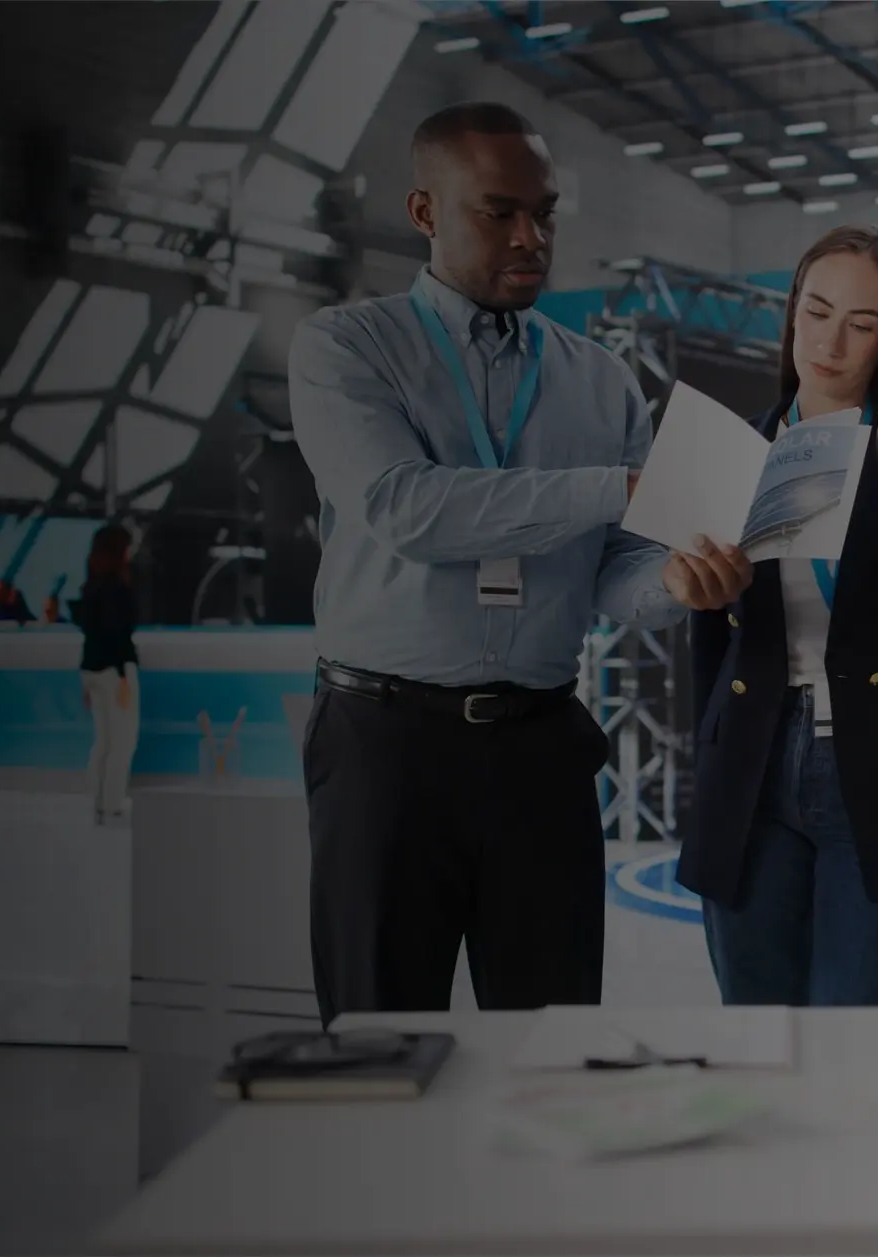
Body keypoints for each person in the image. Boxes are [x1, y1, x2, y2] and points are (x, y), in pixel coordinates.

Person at [287, 102, 752, 1024]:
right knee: (378, 1045)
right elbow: (409, 508)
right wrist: (618, 486)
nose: (530, 237)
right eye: (498, 212)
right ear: (425, 212)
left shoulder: (601, 380)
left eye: (543, 214)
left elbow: (616, 568)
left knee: (555, 1047)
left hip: (541, 749)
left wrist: (673, 583)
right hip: (386, 746)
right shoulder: (345, 348)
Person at [682, 224, 878, 1008]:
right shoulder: (732, 451)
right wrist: (707, 765)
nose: (830, 343)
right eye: (817, 313)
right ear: (792, 310)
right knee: (756, 1026)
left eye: (861, 324)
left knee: (858, 1029)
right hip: (749, 767)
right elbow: (707, 644)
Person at [76, 525, 140, 825]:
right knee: (122, 740)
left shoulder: (90, 587)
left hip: (91, 670)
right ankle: (112, 804)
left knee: (102, 741)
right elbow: (118, 635)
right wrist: (124, 677)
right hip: (114, 671)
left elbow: (91, 634)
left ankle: (96, 803)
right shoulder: (117, 588)